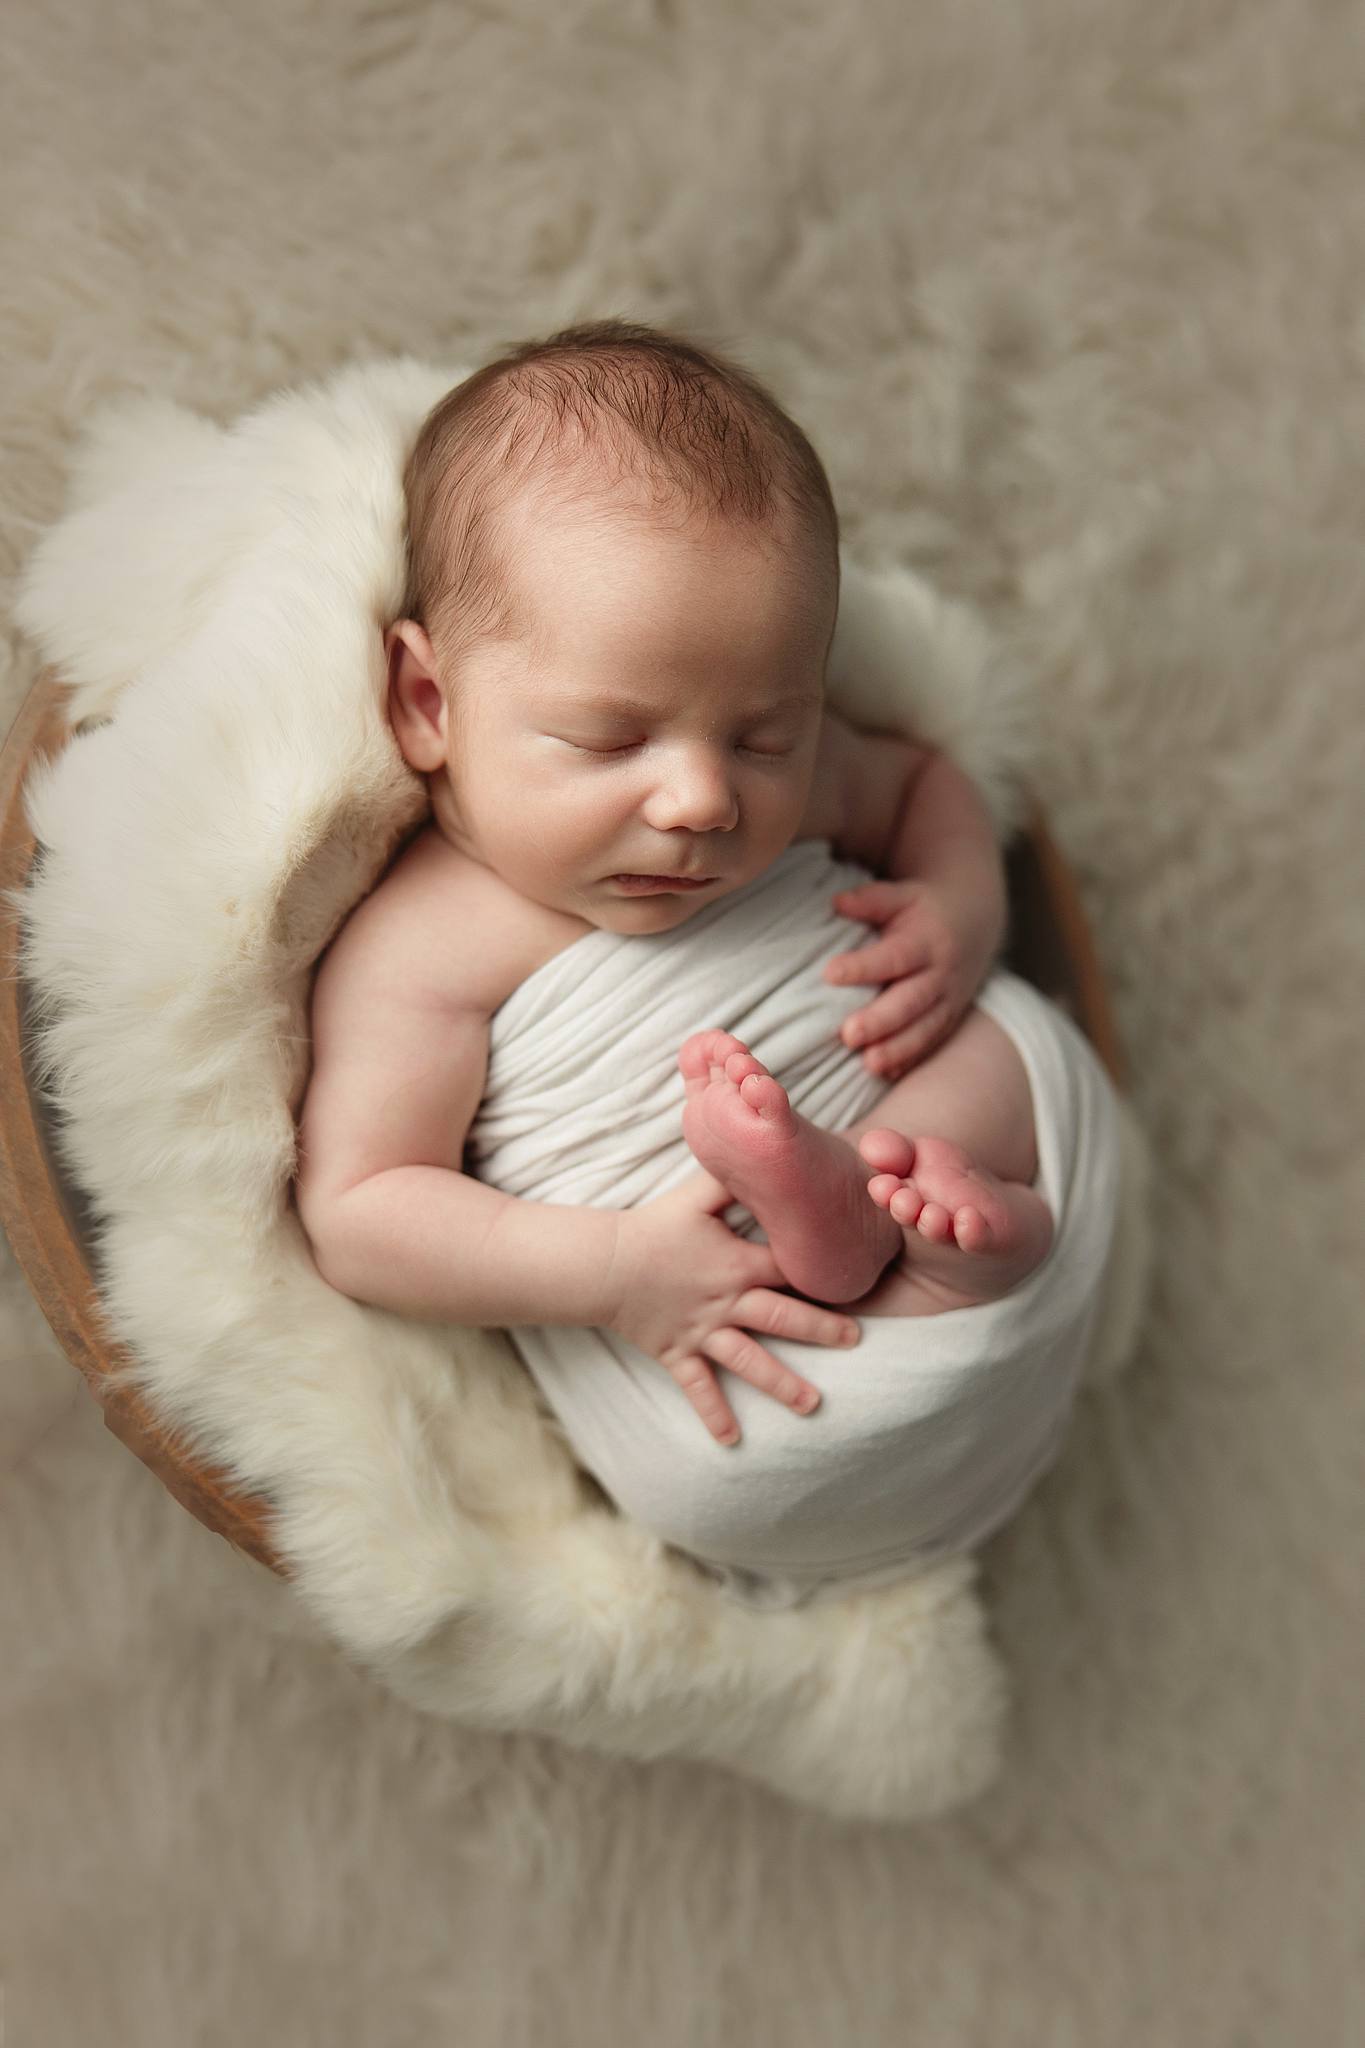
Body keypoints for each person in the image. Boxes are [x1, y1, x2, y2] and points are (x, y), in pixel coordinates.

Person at [294, 318, 1122, 1610]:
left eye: (761, 737)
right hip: (721, 1323)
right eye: (606, 738)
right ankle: (908, 1253)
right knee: (718, 1470)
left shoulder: (795, 791)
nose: (699, 799)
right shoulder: (423, 942)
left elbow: (928, 783)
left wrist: (955, 914)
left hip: (912, 1126)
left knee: (1011, 1043)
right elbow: (362, 1210)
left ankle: (912, 1236)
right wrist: (614, 1274)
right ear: (427, 705)